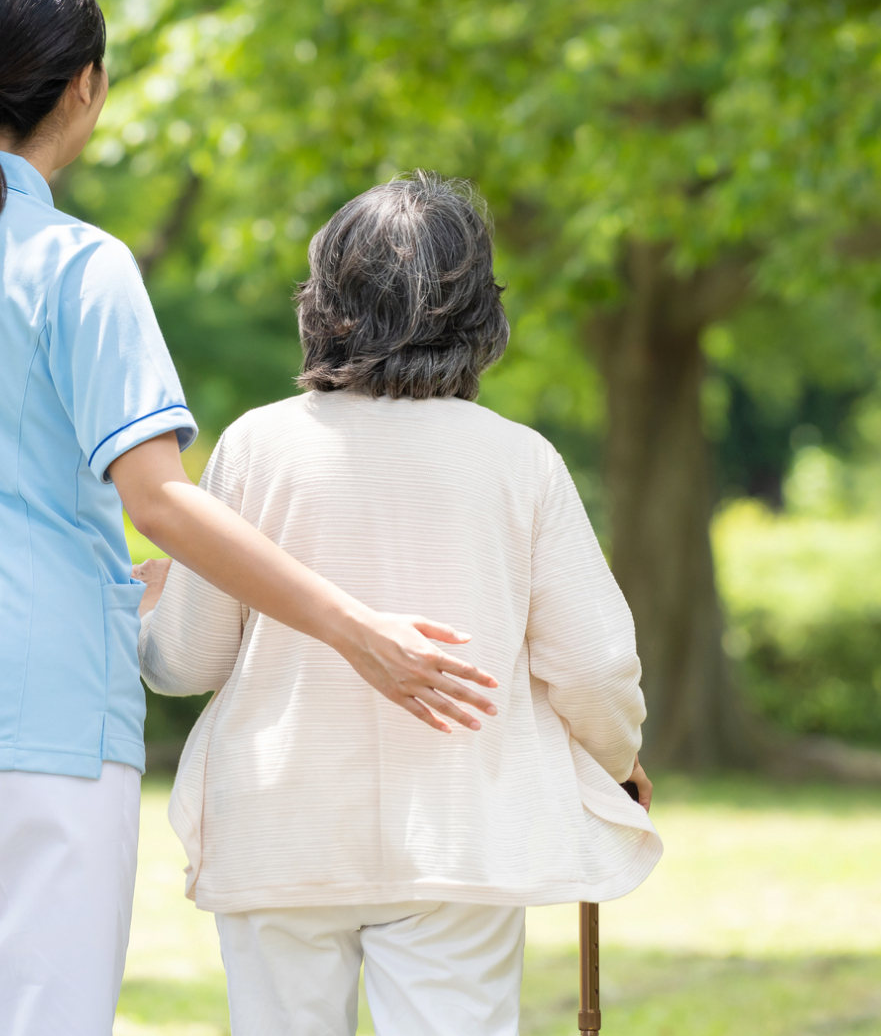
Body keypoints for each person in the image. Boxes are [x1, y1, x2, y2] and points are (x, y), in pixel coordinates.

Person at [0, 0, 499, 1036]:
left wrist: (88, 557)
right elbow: (160, 499)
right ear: (88, 84)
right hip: (35, 692)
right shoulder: (81, 265)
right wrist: (357, 627)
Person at [137, 172, 662, 1036]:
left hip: (281, 825)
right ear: (480, 313)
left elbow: (186, 660)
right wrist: (614, 760)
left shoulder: (256, 447)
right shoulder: (519, 460)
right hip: (457, 835)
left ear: (324, 300)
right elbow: (596, 663)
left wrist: (151, 612)